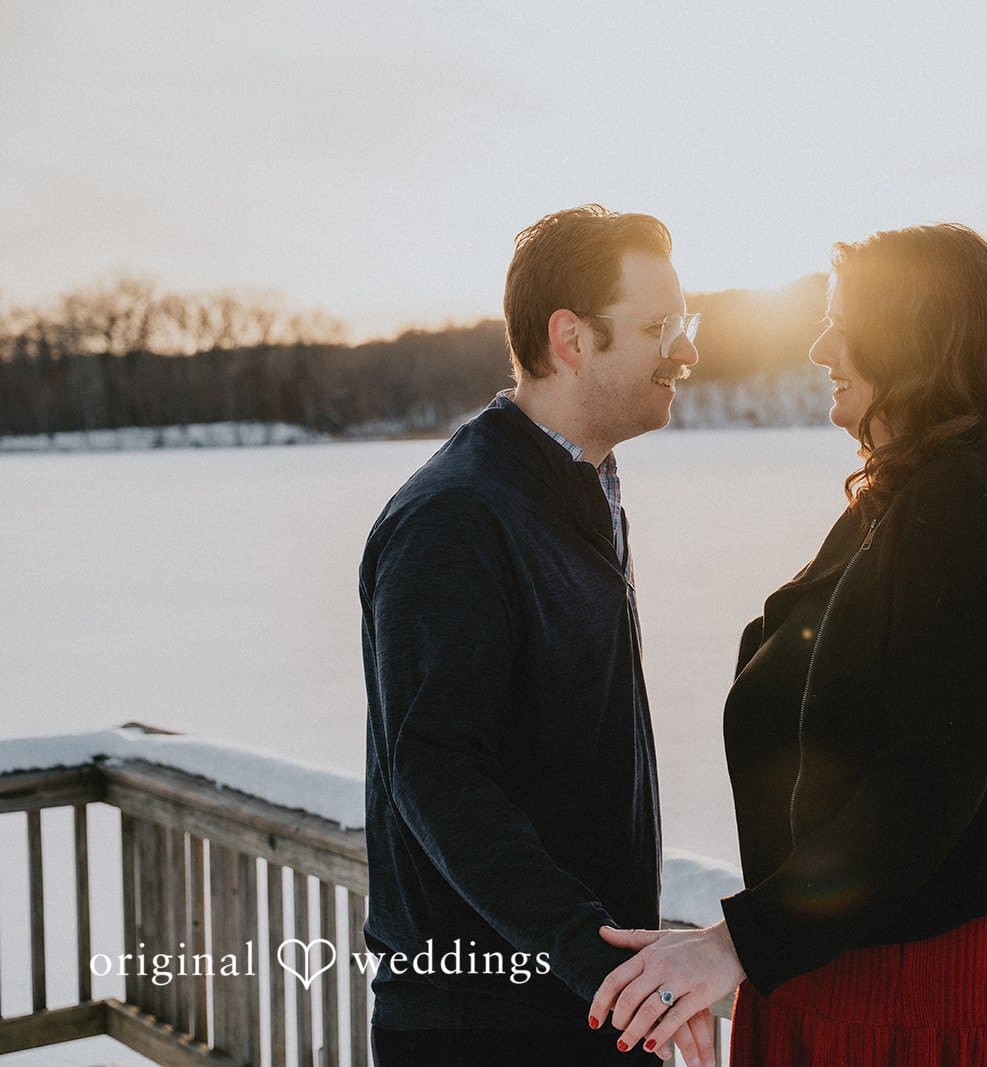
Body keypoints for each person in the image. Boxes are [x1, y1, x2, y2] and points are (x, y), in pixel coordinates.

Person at [590, 223, 987, 1064]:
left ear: (916, 337)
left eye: (843, 324)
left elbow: (928, 781)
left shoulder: (967, 506)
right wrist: (750, 942)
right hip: (828, 979)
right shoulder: (895, 502)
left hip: (920, 1003)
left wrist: (735, 944)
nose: (820, 349)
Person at [360, 205, 714, 1066]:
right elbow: (438, 773)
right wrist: (588, 951)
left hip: (585, 999)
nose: (687, 352)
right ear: (571, 338)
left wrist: (612, 967)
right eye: (659, 327)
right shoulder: (458, 516)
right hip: (486, 1024)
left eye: (686, 323)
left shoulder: (581, 491)